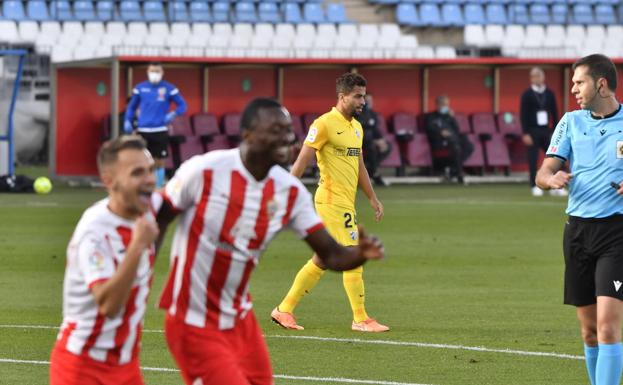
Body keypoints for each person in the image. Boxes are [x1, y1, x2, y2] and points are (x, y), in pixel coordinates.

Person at [155, 98, 385, 385]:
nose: (286, 137)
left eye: (288, 130)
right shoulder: (205, 170)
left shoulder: (288, 191)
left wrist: (360, 253)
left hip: (239, 316)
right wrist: (141, 271)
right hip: (192, 315)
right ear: (248, 134)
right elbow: (158, 215)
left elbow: (330, 255)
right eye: (275, 129)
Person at [271, 73, 389, 333]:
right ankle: (360, 318)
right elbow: (302, 161)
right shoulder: (324, 124)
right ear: (342, 96)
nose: (362, 101)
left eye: (363, 96)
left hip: (347, 202)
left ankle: (284, 310)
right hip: (331, 200)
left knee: (322, 259)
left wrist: (372, 197)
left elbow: (358, 165)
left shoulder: (356, 127)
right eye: (357, 96)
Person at [536, 54, 623, 385]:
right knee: (589, 333)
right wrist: (550, 180)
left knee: (608, 328)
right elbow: (544, 171)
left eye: (579, 82)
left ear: (600, 83)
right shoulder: (570, 122)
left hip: (617, 233)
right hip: (577, 233)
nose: (572, 88)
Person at [49, 135, 159, 385]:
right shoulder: (95, 231)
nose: (150, 179)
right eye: (137, 173)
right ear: (109, 181)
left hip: (125, 366)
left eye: (151, 170)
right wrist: (138, 246)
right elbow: (108, 305)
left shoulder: (141, 207)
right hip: (83, 367)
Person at [124, 62, 187, 188]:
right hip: (143, 130)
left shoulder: (169, 88)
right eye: (152, 71)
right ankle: (140, 185)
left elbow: (183, 105)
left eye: (157, 71)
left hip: (159, 129)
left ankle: (158, 188)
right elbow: (131, 107)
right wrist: (128, 120)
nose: (155, 74)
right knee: (141, 159)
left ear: (162, 73)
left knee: (159, 161)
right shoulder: (140, 88)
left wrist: (173, 114)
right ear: (148, 72)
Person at [520, 67, 564, 197]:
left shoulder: (549, 93)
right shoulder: (527, 94)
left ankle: (557, 186)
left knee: (554, 157)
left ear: (543, 77)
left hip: (546, 130)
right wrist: (525, 133)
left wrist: (556, 131)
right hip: (532, 131)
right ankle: (534, 185)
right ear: (531, 78)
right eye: (534, 76)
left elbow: (555, 113)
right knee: (533, 160)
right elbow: (523, 115)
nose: (536, 79)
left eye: (538, 76)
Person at [424, 95, 473, 184]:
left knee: (468, 145)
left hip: (453, 140)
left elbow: (457, 130)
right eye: (443, 104)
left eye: (447, 104)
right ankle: (458, 172)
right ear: (437, 104)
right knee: (455, 147)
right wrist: (440, 132)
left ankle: (454, 170)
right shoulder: (431, 116)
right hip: (439, 142)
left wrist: (452, 117)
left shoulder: (449, 117)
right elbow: (429, 128)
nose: (445, 107)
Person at [356, 94, 392, 186]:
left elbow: (375, 129)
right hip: (358, 140)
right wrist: (375, 141)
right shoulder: (356, 112)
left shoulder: (373, 114)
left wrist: (381, 140)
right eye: (367, 100)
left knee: (387, 146)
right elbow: (359, 128)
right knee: (371, 145)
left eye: (370, 100)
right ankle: (373, 173)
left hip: (370, 140)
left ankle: (370, 170)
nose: (369, 102)